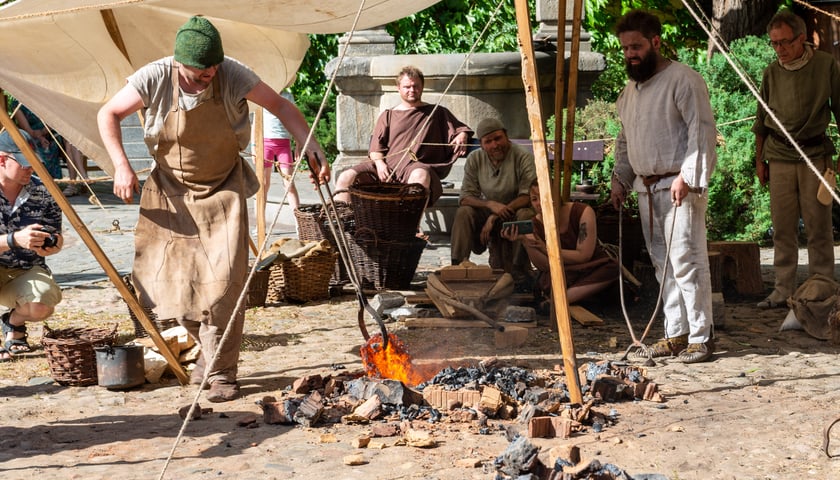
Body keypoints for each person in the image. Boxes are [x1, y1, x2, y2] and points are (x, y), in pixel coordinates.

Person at [97, 16, 328, 401]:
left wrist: (311, 142)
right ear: (180, 64)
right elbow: (109, 114)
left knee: (225, 286)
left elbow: (282, 106)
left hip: (223, 190)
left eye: (214, 68)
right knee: (168, 285)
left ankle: (222, 372)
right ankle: (207, 352)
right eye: (202, 71)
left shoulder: (233, 74)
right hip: (170, 191)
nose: (210, 75)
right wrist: (121, 164)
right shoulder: (154, 77)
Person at [609, 10, 717, 364]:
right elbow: (625, 141)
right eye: (625, 48)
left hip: (679, 184)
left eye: (636, 46)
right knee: (662, 264)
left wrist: (688, 177)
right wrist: (621, 179)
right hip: (646, 187)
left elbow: (700, 132)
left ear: (655, 42)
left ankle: (701, 336)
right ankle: (676, 333)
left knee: (687, 260)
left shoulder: (684, 80)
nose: (630, 54)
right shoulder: (629, 92)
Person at [752, 9, 840, 309]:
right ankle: (782, 288)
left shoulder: (826, 65)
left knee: (818, 225)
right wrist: (759, 160)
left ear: (802, 38)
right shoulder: (771, 72)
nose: (780, 49)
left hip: (815, 154)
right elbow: (761, 120)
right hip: (778, 154)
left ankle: (822, 284)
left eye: (785, 42)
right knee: (783, 225)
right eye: (774, 43)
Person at [334, 66, 472, 207]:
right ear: (398, 87)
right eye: (407, 87)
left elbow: (460, 128)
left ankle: (410, 225)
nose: (412, 90)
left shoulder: (436, 112)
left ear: (422, 87)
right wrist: (380, 164)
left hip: (413, 168)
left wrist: (462, 134)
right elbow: (375, 149)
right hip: (385, 168)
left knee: (420, 176)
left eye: (416, 86)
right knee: (346, 177)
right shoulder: (388, 115)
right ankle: (341, 222)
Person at [503, 179, 618, 307]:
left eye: (543, 197)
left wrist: (546, 250)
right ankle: (571, 298)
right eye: (534, 199)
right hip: (562, 271)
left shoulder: (583, 212)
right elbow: (544, 266)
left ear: (555, 196)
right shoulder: (534, 225)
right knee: (548, 279)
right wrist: (525, 241)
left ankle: (559, 301)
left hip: (589, 266)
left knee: (612, 268)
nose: (539, 204)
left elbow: (583, 256)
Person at [0, 131, 64, 361]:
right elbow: (14, 239)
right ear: (2, 160)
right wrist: (14, 240)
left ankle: (14, 322)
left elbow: (56, 235)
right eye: (24, 163)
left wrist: (52, 244)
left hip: (25, 269)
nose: (30, 168)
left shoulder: (43, 191)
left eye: (33, 162)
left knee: (41, 305)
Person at [452, 118, 536, 285]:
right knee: (464, 213)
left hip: (514, 211)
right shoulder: (475, 159)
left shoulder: (522, 156)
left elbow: (528, 195)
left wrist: (495, 216)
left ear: (506, 137)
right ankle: (458, 266)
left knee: (527, 214)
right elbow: (465, 198)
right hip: (488, 210)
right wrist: (490, 205)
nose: (495, 145)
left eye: (498, 138)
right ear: (482, 145)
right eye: (488, 141)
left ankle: (519, 270)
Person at [256, 88, 300, 209]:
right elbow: (256, 121)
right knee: (263, 184)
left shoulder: (287, 95)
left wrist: (298, 144)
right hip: (265, 143)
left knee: (289, 184)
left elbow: (295, 119)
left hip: (284, 144)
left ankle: (299, 223)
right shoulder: (261, 92)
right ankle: (261, 225)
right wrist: (255, 147)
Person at [8, 98, 63, 179]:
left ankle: (52, 181)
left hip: (49, 133)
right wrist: (40, 137)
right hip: (31, 135)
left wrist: (44, 132)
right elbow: (26, 128)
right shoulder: (17, 104)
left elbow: (54, 121)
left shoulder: (43, 98)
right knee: (34, 146)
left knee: (51, 144)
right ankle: (39, 179)